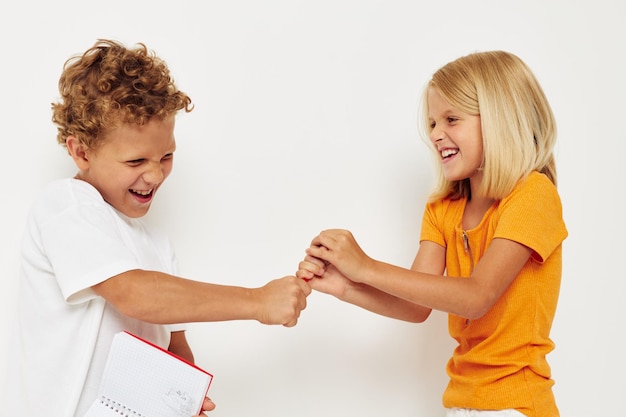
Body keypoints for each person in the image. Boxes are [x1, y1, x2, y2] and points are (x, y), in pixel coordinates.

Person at [6, 39, 311, 417]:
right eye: (136, 160)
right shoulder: (66, 205)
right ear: (81, 152)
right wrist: (257, 300)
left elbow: (174, 345)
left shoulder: (156, 246)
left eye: (166, 156)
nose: (154, 174)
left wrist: (182, 397)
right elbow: (135, 294)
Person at [297, 50, 567, 417]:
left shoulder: (533, 194)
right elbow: (416, 305)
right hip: (461, 403)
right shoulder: (443, 209)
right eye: (432, 124)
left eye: (451, 119)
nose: (436, 135)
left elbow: (477, 296)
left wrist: (365, 266)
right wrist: (345, 286)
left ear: (500, 119)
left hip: (515, 405)